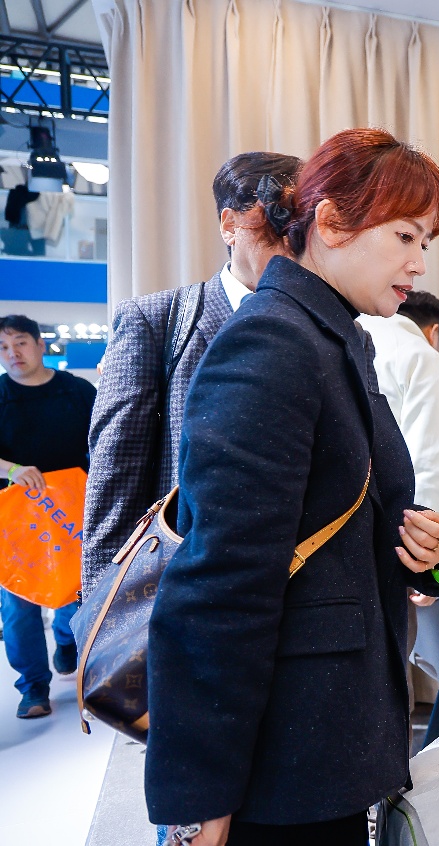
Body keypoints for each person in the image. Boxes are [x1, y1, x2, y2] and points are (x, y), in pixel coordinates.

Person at [145, 128, 439, 845]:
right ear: (329, 222)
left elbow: (356, 517)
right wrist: (201, 795)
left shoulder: (335, 337)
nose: (418, 263)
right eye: (405, 236)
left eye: (425, 242)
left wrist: (438, 550)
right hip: (281, 758)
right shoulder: (271, 343)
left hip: (329, 737)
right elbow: (222, 580)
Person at [81, 152, 302, 601]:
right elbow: (115, 478)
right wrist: (103, 609)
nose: (290, 245)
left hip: (300, 593)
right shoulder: (155, 320)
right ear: (229, 225)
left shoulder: (339, 333)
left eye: (302, 229)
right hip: (185, 590)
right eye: (274, 225)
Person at [0, 314, 96, 718]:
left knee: (75, 593)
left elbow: (107, 439)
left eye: (20, 342)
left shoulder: (78, 391)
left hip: (73, 511)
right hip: (16, 519)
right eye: (4, 347)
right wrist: (12, 469)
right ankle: (33, 687)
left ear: (41, 345)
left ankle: (67, 641)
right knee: (19, 603)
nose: (12, 353)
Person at [358, 291, 439, 513]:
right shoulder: (422, 355)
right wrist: (428, 525)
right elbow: (428, 461)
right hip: (393, 509)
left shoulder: (350, 334)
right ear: (434, 332)